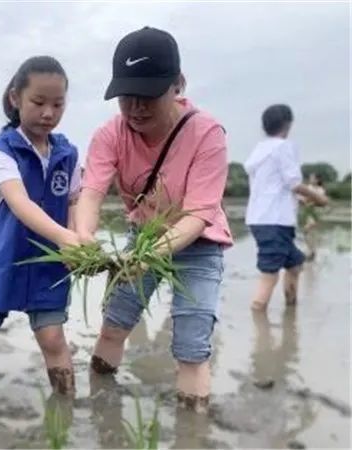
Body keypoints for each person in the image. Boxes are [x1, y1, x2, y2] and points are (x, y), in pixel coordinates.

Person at [74, 27, 232, 413]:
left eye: (148, 95)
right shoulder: (110, 134)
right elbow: (91, 193)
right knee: (115, 322)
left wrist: (148, 255)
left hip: (200, 243)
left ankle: (191, 429)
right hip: (141, 235)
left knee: (192, 344)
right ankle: (101, 411)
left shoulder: (207, 133)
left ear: (177, 85)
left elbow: (197, 213)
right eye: (127, 97)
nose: (136, 108)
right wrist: (83, 235)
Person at [0, 56, 81, 395]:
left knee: (54, 339)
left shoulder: (67, 154)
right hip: (0, 265)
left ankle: (65, 408)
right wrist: (67, 237)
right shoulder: (1, 151)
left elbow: (74, 201)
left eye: (58, 104)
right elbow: (19, 203)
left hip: (48, 267)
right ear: (15, 98)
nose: (48, 113)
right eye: (38, 102)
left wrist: (79, 238)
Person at [245, 105, 328, 311]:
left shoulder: (260, 149)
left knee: (295, 264)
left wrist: (298, 200)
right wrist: (318, 197)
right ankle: (259, 319)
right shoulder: (283, 147)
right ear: (288, 125)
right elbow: (293, 183)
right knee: (269, 274)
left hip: (261, 218)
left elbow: (275, 187)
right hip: (275, 221)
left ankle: (291, 310)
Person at [299, 173, 327, 260]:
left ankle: (312, 251)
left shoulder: (320, 189)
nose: (310, 180)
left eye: (312, 178)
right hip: (307, 210)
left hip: (315, 211)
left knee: (309, 229)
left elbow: (320, 201)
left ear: (317, 180)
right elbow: (303, 199)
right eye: (310, 178)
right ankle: (311, 251)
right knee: (309, 233)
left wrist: (310, 200)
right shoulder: (308, 188)